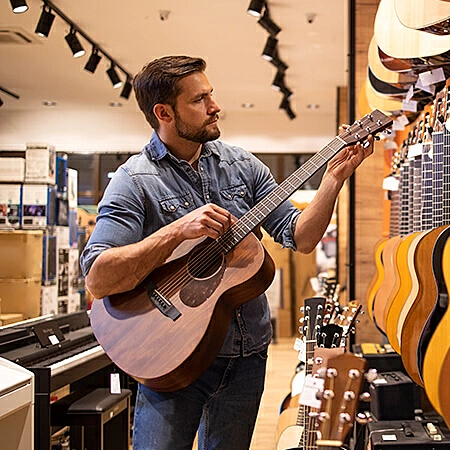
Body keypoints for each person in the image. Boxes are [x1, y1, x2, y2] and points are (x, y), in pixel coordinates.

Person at [80, 55, 373, 449]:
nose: (215, 107)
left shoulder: (242, 167)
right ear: (164, 112)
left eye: (211, 95)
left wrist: (333, 180)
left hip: (244, 358)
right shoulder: (134, 181)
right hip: (169, 355)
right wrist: (175, 232)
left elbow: (301, 238)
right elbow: (99, 276)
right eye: (200, 100)